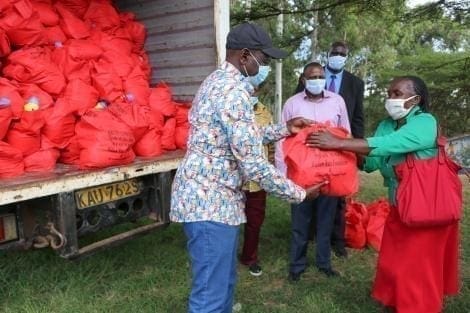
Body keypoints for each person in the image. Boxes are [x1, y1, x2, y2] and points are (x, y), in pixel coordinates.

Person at [170, 22, 326, 313]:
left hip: (217, 203)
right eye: (263, 60)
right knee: (210, 297)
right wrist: (299, 193)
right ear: (244, 56)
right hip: (209, 204)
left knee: (223, 283)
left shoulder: (218, 82)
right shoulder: (232, 92)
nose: (264, 66)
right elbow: (254, 163)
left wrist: (284, 129)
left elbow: (239, 136)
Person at [307, 76, 460, 312]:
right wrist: (331, 155)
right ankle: (399, 302)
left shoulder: (425, 122)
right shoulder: (386, 125)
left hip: (427, 210)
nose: (390, 99)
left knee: (418, 270)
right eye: (389, 93)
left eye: (397, 94)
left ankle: (418, 306)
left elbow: (391, 144)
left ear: (415, 99)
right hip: (400, 209)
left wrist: (340, 143)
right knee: (395, 264)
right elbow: (370, 162)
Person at [275, 62, 351, 280]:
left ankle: (323, 262)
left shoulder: (338, 101)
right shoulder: (292, 104)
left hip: (330, 172)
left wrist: (346, 168)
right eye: (312, 77)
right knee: (300, 222)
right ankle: (297, 266)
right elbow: (282, 138)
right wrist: (283, 173)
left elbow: (346, 134)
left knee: (326, 220)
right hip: (301, 173)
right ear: (303, 79)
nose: (317, 80)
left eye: (320, 76)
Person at [325, 41, 365, 258]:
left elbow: (358, 118)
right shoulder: (312, 76)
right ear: (328, 54)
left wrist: (357, 149)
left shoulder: (355, 84)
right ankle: (312, 232)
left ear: (346, 57)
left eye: (342, 54)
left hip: (342, 145)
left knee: (339, 193)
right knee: (313, 189)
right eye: (335, 52)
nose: (338, 56)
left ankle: (338, 240)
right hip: (313, 143)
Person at [240, 79, 273, 277]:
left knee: (255, 220)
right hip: (234, 178)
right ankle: (223, 257)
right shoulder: (232, 109)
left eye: (253, 87)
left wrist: (269, 171)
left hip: (257, 179)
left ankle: (249, 257)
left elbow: (270, 146)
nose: (250, 90)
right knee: (229, 220)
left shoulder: (264, 112)